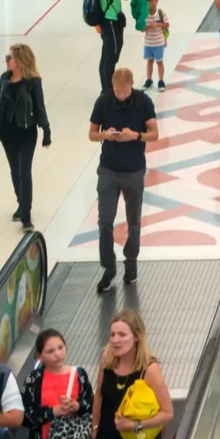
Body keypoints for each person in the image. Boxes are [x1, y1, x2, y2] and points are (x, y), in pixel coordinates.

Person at [88, 68, 159, 293]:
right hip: (108, 170)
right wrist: (105, 135)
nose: (120, 96)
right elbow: (92, 133)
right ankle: (108, 267)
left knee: (133, 221)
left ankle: (131, 261)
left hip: (134, 171)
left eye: (124, 92)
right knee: (105, 220)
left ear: (131, 85)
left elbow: (154, 133)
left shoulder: (142, 102)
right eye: (117, 92)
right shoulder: (103, 102)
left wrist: (135, 135)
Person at [0, 43, 51, 231]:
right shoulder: (4, 79)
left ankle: (26, 215)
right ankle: (21, 204)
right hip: (7, 133)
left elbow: (39, 106)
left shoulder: (33, 82)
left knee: (24, 171)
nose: (6, 61)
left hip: (27, 132)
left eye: (10, 58)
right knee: (15, 171)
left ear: (21, 61)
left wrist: (46, 129)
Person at [91, 310, 174, 439]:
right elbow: (99, 395)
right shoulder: (107, 358)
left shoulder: (149, 369)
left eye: (122, 335)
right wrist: (94, 429)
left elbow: (167, 413)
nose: (115, 340)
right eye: (112, 334)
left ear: (136, 337)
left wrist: (135, 425)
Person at [21, 329, 95, 439]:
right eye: (50, 351)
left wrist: (77, 406)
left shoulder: (79, 374)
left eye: (60, 347)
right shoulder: (33, 379)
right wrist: (52, 412)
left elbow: (92, 404)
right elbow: (24, 416)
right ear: (40, 356)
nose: (58, 354)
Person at [93, 0, 149, 94]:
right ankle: (108, 91)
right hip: (110, 22)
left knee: (107, 55)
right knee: (110, 58)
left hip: (106, 20)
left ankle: (106, 88)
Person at [141, 0, 168, 91]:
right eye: (150, 1)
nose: (153, 3)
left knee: (159, 62)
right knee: (149, 61)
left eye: (155, 0)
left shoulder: (161, 13)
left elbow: (167, 24)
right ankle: (149, 79)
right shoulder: (144, 14)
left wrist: (158, 25)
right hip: (148, 43)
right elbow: (141, 29)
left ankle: (161, 81)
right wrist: (148, 27)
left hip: (159, 43)